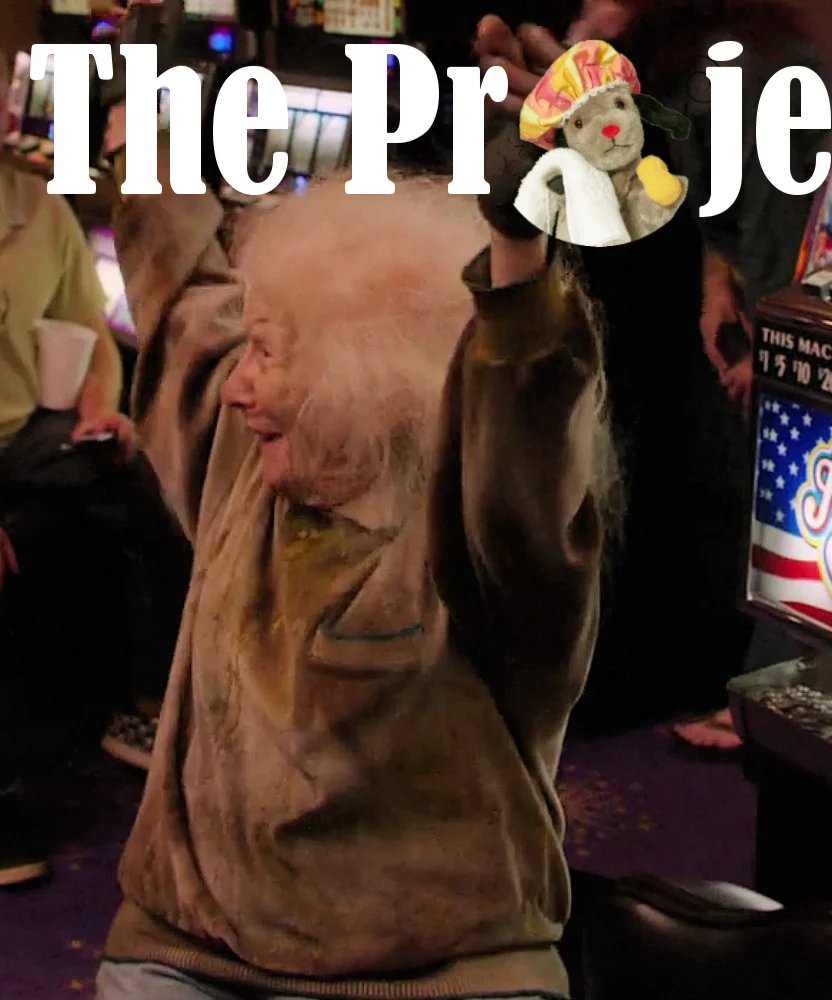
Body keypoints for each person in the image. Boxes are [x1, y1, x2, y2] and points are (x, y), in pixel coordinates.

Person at [92, 80, 618, 996]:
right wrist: (141, 147)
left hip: (437, 970)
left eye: (268, 353)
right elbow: (183, 310)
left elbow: (526, 444)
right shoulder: (245, 463)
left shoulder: (480, 540)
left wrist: (518, 263)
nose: (239, 385)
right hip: (191, 943)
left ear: (363, 374)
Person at [476, 0, 831, 751]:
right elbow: (517, 209)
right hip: (605, 407)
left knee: (639, 683)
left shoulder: (742, 62)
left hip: (678, 441)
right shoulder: (620, 49)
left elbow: (744, 259)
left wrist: (584, 117)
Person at [0, 50, 186, 887]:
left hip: (23, 434)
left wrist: (102, 410)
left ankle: (146, 706)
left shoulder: (36, 205)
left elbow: (89, 332)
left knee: (156, 478)